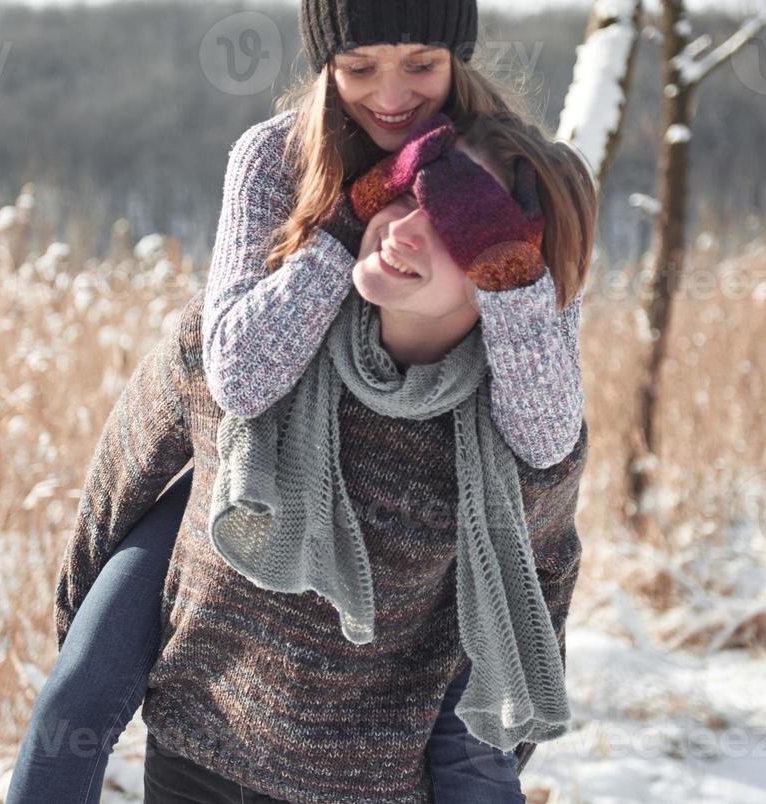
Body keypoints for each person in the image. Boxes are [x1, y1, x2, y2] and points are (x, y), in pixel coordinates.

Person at [29, 109, 592, 803]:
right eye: (410, 191)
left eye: (458, 224)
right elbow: (117, 492)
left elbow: (536, 589)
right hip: (199, 754)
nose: (408, 227)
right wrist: (85, 665)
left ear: (509, 281)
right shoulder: (243, 346)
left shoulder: (513, 443)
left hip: (373, 788)